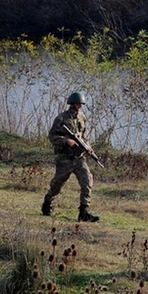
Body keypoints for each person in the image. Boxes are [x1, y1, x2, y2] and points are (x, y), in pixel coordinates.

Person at [42, 91, 98, 222]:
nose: (80, 106)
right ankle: (47, 203)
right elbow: (52, 136)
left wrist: (88, 147)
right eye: (78, 103)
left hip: (79, 158)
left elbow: (84, 136)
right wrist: (66, 141)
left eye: (81, 104)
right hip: (65, 158)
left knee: (87, 182)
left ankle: (84, 212)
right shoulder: (61, 118)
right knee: (57, 185)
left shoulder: (82, 118)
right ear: (72, 104)